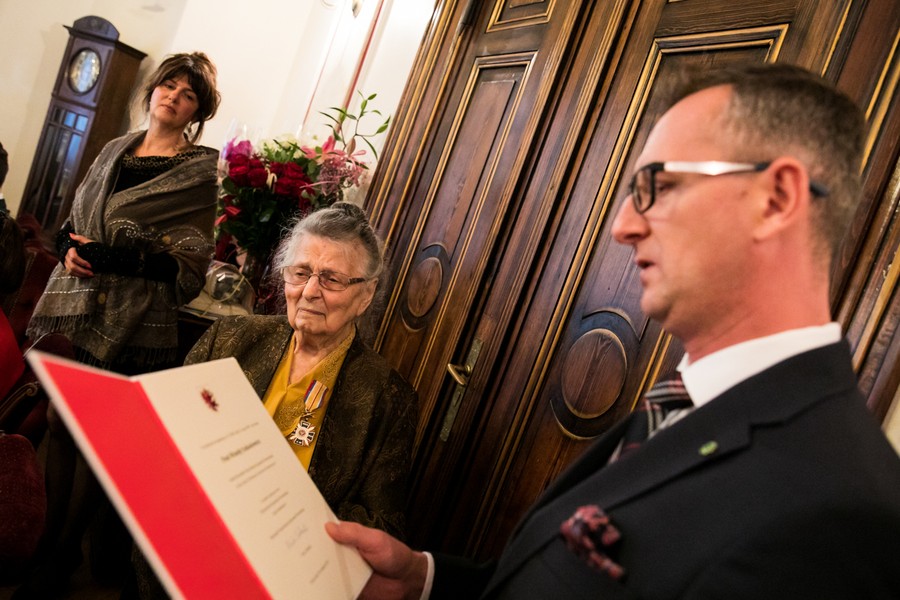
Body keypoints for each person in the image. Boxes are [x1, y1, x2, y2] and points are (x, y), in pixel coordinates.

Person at [326, 63, 900, 599]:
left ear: (776, 199)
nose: (623, 226)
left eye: (657, 186)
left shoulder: (839, 510)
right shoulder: (685, 403)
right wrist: (424, 580)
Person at [133, 201, 418, 599]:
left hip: (289, 573)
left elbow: (382, 523)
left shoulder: (387, 396)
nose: (310, 292)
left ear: (365, 295)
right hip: (190, 536)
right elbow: (164, 430)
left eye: (332, 279)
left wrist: (285, 523)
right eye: (300, 273)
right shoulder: (230, 339)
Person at [16, 51, 222, 598]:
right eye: (168, 85)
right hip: (87, 308)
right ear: (151, 90)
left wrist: (112, 258)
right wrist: (66, 251)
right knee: (62, 422)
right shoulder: (114, 148)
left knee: (94, 436)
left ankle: (62, 558)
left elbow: (190, 267)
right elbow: (75, 218)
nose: (173, 97)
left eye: (188, 95)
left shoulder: (197, 173)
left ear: (197, 112)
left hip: (136, 323)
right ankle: (47, 544)